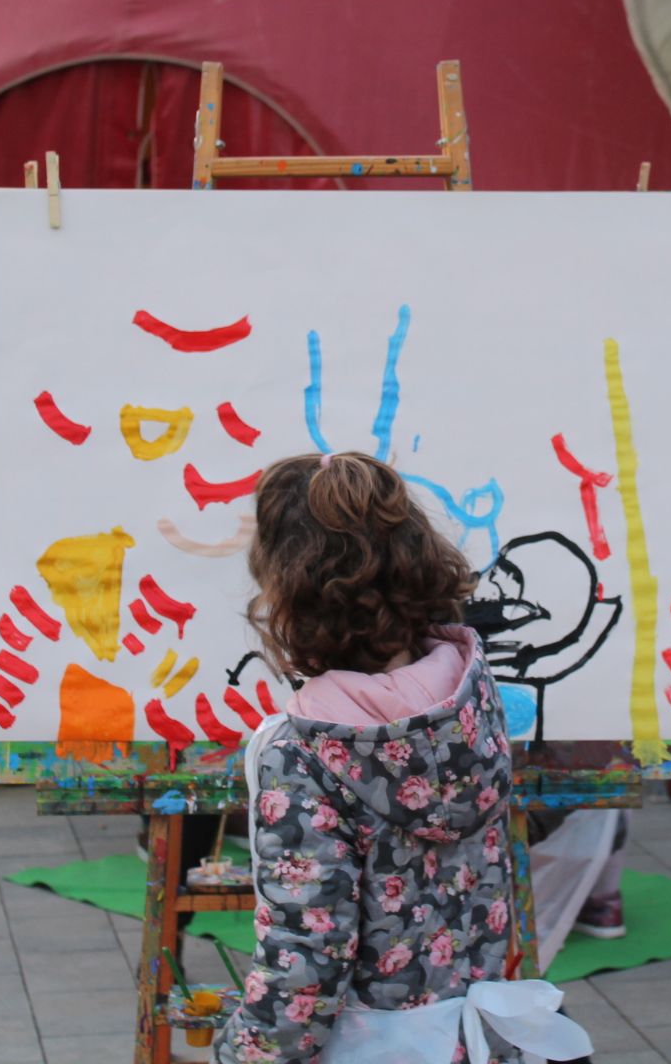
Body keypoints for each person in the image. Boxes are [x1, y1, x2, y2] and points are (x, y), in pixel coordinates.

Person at [214, 453, 589, 1064]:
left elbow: (304, 961)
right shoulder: (469, 690)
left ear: (289, 591)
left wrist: (238, 1055)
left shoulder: (301, 751)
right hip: (477, 1039)